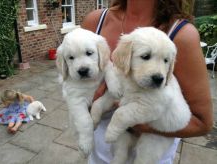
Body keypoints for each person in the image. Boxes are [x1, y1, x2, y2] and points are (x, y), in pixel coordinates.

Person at [82, 0, 213, 163]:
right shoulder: (95, 21)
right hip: (98, 156)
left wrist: (138, 123)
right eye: (145, 56)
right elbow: (73, 85)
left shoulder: (182, 34)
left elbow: (202, 123)